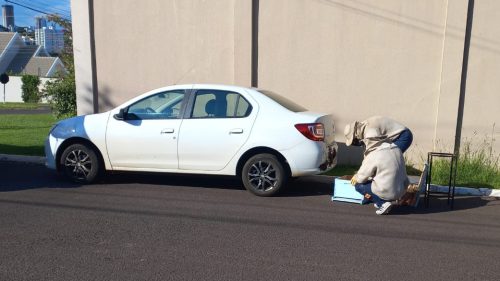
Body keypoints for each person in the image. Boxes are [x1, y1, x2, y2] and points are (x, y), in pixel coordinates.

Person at [350, 142, 409, 215]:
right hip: (402, 190)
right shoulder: (397, 149)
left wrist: (356, 177)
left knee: (358, 185)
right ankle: (377, 200)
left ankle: (382, 203)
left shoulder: (375, 154)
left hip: (388, 191)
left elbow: (361, 177)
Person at [344, 116, 413, 156]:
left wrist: (361, 174)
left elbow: (372, 155)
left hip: (403, 136)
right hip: (396, 136)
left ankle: (396, 179)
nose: (355, 143)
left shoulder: (370, 132)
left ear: (355, 135)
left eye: (354, 140)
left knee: (389, 158)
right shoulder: (364, 126)